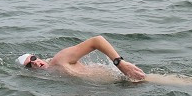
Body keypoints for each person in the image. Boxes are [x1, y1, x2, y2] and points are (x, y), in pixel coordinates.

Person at [17, 35, 147, 82]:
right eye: (29, 65)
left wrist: (120, 64)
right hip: (118, 85)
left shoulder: (59, 59)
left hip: (126, 77)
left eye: (33, 58)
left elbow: (97, 40)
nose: (34, 63)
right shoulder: (52, 73)